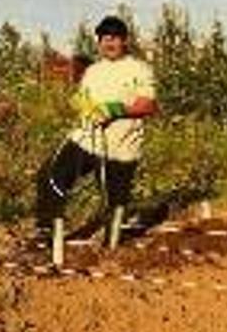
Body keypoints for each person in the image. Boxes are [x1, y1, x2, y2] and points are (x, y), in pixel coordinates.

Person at [34, 16, 157, 241]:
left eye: (115, 38)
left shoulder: (139, 69)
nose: (109, 43)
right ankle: (47, 231)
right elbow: (83, 100)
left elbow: (148, 105)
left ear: (125, 41)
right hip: (86, 140)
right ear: (98, 42)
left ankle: (114, 237)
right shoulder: (93, 71)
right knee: (50, 175)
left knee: (114, 209)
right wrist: (81, 104)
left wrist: (115, 109)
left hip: (121, 147)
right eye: (104, 38)